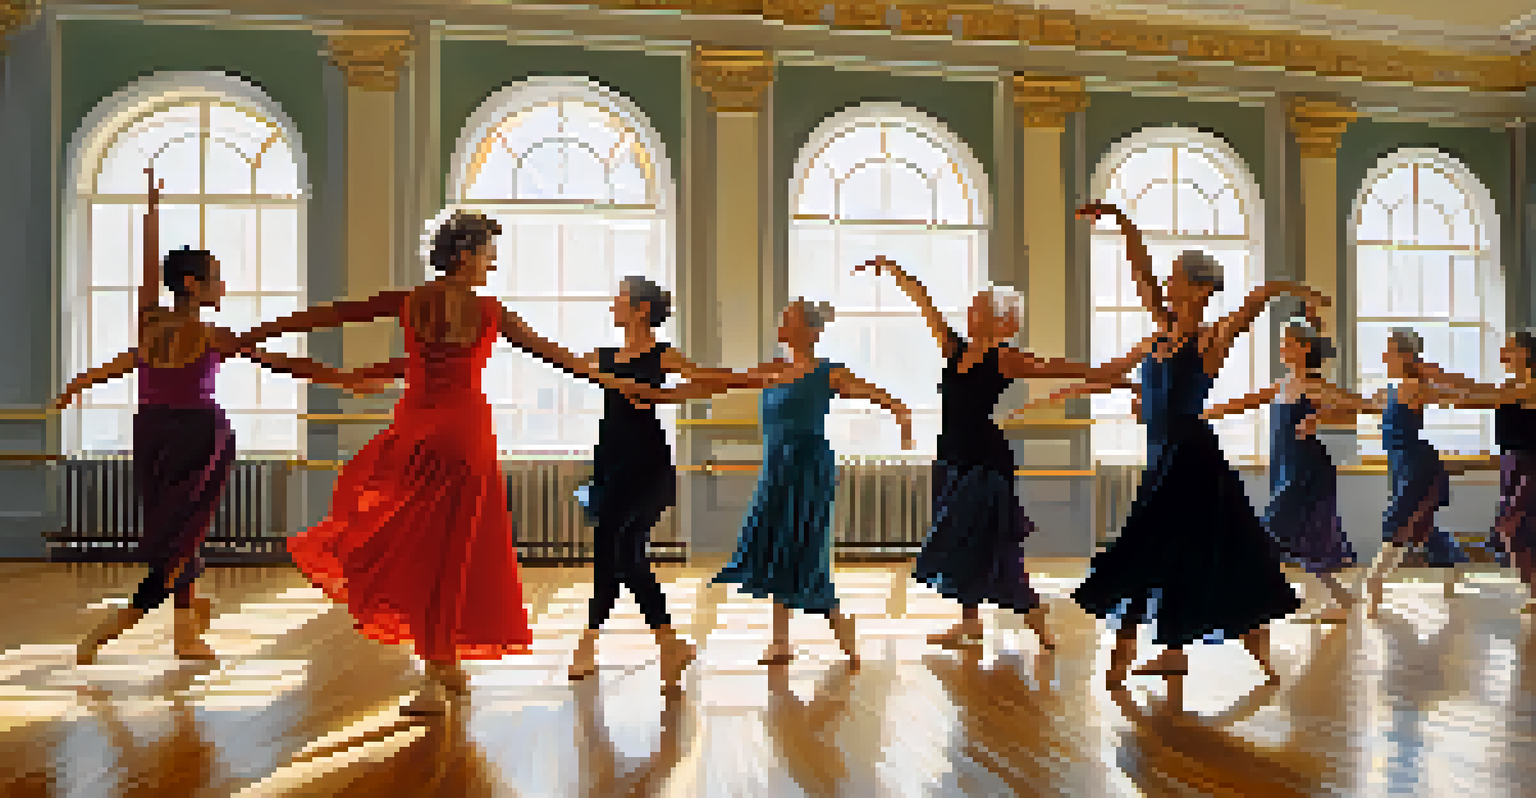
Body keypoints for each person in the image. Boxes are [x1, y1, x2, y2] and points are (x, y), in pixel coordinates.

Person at [227, 210, 656, 714]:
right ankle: (439, 668)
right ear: (465, 255)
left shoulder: (411, 301)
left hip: (417, 430)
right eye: (488, 256)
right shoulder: (490, 312)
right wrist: (620, 383)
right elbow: (558, 357)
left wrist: (250, 335)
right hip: (464, 433)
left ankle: (442, 665)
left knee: (416, 543)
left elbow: (325, 316)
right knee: (452, 552)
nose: (491, 265)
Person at [63, 169, 378, 666]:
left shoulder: (149, 321)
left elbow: (145, 280)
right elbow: (280, 362)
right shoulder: (210, 335)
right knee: (181, 538)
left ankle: (185, 634)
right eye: (215, 276)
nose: (222, 284)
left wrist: (151, 211)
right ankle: (112, 629)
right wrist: (345, 380)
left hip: (151, 432)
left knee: (178, 533)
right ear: (193, 284)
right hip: (195, 436)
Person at [1038, 201, 1325, 690]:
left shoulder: (1210, 339)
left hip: (1191, 460)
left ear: (1200, 289)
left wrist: (1302, 294)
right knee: (1174, 553)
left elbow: (1257, 298)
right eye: (1167, 279)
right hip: (1164, 459)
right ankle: (1175, 653)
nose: (1166, 285)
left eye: (1176, 279)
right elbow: (1140, 281)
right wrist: (1120, 221)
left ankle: (1131, 651)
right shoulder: (1158, 337)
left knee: (1153, 549)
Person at [856, 256, 1104, 651]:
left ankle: (1035, 617)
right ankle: (969, 623)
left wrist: (1116, 374)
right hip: (952, 459)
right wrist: (895, 271)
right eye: (971, 309)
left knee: (993, 542)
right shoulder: (954, 348)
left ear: (998, 320)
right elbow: (926, 305)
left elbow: (1058, 368)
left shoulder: (1005, 357)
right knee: (961, 543)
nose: (970, 314)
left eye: (978, 310)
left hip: (986, 464)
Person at [679, 298, 913, 669]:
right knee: (774, 545)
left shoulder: (828, 373)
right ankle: (781, 641)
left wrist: (901, 415)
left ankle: (835, 619)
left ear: (810, 331)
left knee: (802, 545)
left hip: (809, 468)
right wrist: (672, 385)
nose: (781, 324)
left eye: (789, 319)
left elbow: (877, 395)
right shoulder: (772, 370)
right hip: (776, 469)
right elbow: (725, 380)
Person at [566, 276, 712, 689]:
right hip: (611, 459)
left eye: (620, 298)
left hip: (646, 463)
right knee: (627, 554)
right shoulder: (603, 356)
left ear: (641, 309)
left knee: (611, 547)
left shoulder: (662, 355)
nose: (613, 304)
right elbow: (567, 363)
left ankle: (588, 643)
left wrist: (660, 397)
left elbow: (703, 382)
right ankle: (669, 643)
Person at [1300, 328, 1472, 618]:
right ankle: (1456, 562)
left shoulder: (1417, 387)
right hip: (1401, 465)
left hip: (1418, 465)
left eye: (1389, 350)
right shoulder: (1390, 391)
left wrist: (1431, 371)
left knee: (1396, 522)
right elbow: (1358, 406)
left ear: (1405, 355)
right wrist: (1317, 416)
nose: (1384, 356)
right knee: (1419, 525)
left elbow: (1460, 395)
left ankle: (1373, 584)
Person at [1203, 320, 1358, 623]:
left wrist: (1320, 418)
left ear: (1304, 348)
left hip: (1306, 471)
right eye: (1282, 343)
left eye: (1288, 343)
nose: (1282, 348)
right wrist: (1204, 413)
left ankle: (1243, 598)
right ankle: (1342, 600)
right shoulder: (1282, 384)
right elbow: (1246, 402)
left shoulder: (1314, 385)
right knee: (1306, 537)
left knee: (1266, 530)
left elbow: (1356, 406)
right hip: (1285, 468)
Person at [1413, 331, 1536, 612]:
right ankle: (1533, 591)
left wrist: (1439, 376)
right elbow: (1471, 398)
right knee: (1514, 530)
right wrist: (1431, 390)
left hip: (1530, 464)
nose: (1502, 352)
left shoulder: (1530, 386)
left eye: (1509, 347)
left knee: (1514, 527)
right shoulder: (1510, 384)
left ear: (1526, 353)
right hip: (1510, 463)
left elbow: (1484, 394)